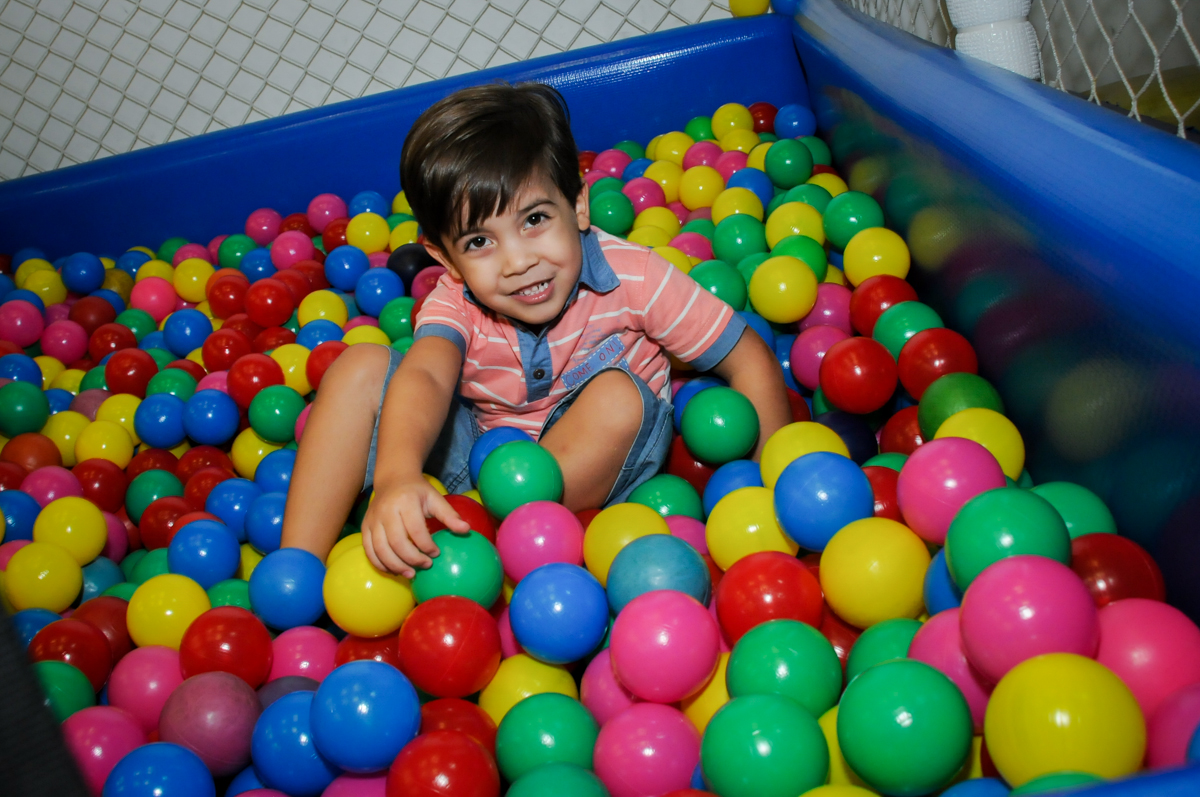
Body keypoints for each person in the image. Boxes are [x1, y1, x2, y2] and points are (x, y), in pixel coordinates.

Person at [281, 83, 790, 578]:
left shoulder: (635, 276)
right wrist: (398, 475)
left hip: (598, 472)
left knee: (618, 396)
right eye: (480, 241)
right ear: (445, 259)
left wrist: (773, 499)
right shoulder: (455, 302)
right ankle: (295, 577)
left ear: (579, 205)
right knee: (360, 364)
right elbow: (428, 378)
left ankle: (503, 555)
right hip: (476, 458)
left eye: (535, 219)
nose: (519, 261)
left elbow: (748, 357)